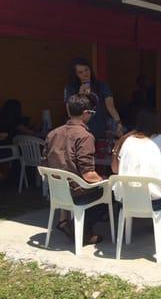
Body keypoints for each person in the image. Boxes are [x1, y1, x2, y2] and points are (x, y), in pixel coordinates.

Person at [42, 93, 105, 245]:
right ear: (86, 113)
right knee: (109, 193)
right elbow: (88, 174)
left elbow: (44, 162)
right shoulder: (85, 136)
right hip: (75, 193)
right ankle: (82, 231)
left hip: (56, 192)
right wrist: (106, 181)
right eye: (92, 113)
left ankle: (68, 223)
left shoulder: (52, 133)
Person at [111, 108, 161, 212]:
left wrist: (115, 150)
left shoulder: (127, 141)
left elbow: (114, 170)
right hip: (156, 201)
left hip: (127, 200)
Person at [64, 58, 123, 140]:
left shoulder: (101, 85)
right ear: (75, 74)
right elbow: (70, 113)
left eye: (86, 70)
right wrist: (80, 95)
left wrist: (118, 123)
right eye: (80, 72)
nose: (85, 74)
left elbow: (111, 107)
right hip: (80, 133)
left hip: (100, 129)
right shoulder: (71, 88)